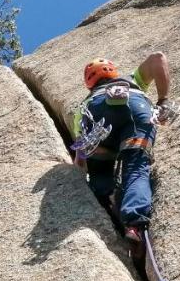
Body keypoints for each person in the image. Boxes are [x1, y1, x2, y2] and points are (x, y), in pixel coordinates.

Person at [70, 52, 174, 257]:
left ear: (89, 84)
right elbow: (158, 58)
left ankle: (107, 200)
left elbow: (81, 150)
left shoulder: (82, 107)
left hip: (96, 117)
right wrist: (163, 100)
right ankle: (134, 225)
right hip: (135, 106)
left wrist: (81, 168)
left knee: (100, 173)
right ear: (113, 73)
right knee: (135, 167)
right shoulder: (132, 80)